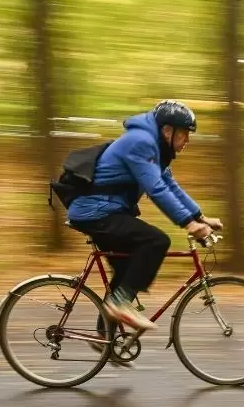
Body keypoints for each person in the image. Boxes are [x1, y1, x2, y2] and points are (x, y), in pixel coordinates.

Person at [66, 100, 222, 332]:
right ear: (167, 130)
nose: (187, 140)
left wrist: (200, 217)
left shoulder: (156, 148)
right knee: (156, 241)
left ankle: (105, 336)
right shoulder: (142, 142)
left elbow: (171, 186)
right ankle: (119, 305)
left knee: (129, 268)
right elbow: (157, 189)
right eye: (185, 134)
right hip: (95, 212)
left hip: (105, 211)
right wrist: (188, 223)